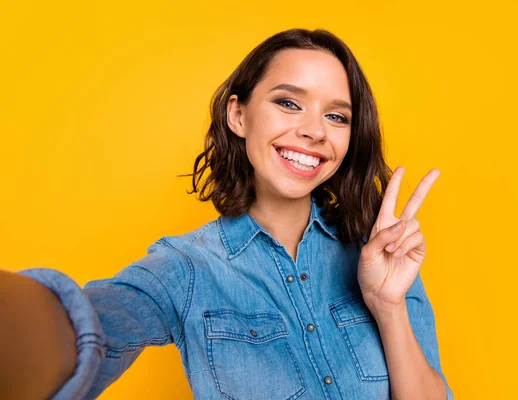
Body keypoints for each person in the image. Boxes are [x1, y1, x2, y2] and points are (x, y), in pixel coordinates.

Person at [0, 28, 453, 399]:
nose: (314, 130)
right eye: (288, 102)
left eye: (337, 116)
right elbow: (86, 331)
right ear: (238, 115)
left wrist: (388, 305)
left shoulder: (380, 253)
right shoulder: (186, 268)